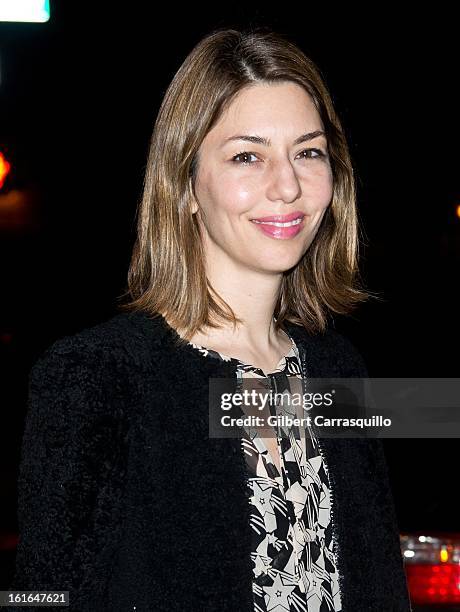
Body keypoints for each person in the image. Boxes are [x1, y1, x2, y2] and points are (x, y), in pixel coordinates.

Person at [9, 27, 412, 611]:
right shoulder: (99, 375)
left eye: (308, 152)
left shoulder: (338, 368)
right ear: (187, 184)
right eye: (247, 156)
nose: (288, 185)